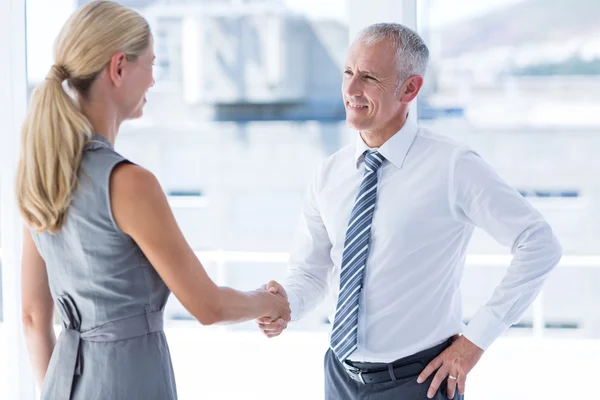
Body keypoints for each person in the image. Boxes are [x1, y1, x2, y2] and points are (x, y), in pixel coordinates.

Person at [258, 22, 562, 399]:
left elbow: (539, 244)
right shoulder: (329, 173)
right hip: (338, 376)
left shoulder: (453, 166)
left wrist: (475, 341)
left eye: (368, 77)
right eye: (349, 72)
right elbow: (311, 271)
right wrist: (285, 304)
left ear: (410, 88)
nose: (351, 90)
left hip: (418, 383)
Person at [18, 2, 290, 399]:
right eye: (151, 64)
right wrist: (269, 303)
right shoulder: (130, 183)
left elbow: (32, 317)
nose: (152, 80)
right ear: (118, 68)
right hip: (128, 383)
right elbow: (207, 306)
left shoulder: (40, 172)